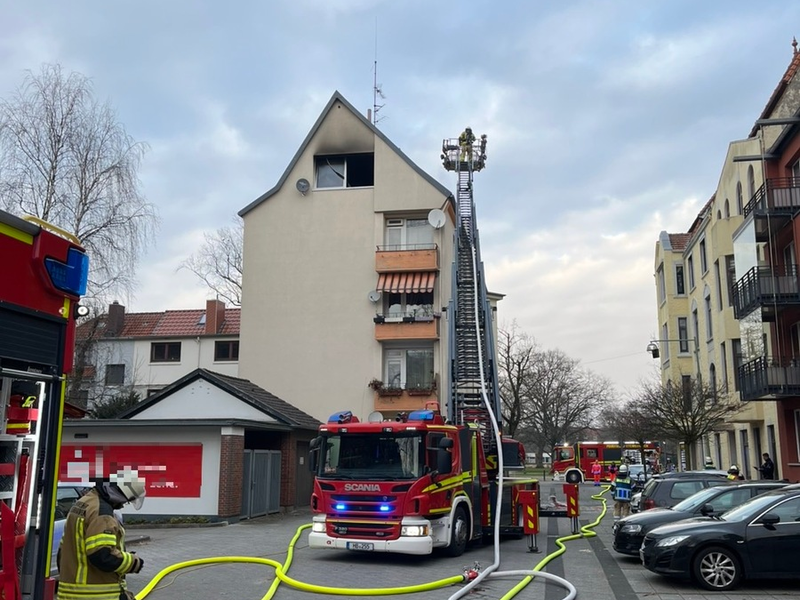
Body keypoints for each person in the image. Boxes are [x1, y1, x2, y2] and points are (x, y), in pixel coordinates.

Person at [57, 470, 147, 600]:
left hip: (70, 593)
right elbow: (102, 555)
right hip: (97, 595)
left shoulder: (83, 503)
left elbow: (63, 551)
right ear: (120, 493)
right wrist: (134, 562)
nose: (122, 505)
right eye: (125, 500)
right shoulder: (102, 513)